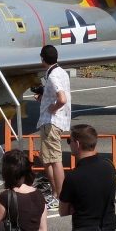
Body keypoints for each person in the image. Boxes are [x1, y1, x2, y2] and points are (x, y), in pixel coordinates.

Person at [35, 44, 71, 209]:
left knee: (54, 160)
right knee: (48, 159)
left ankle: (59, 195)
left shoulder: (52, 76)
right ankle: (56, 193)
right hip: (59, 121)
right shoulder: (62, 72)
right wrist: (44, 98)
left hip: (51, 121)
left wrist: (53, 107)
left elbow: (61, 98)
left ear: (43, 58)